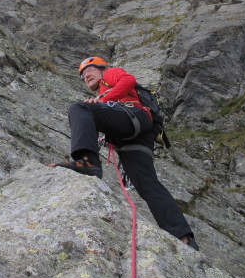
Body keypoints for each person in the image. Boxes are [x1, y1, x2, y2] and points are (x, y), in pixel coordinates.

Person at [50, 56, 199, 250]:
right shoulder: (104, 93)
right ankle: (184, 238)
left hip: (133, 116)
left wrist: (101, 100)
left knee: (78, 108)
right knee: (147, 183)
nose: (86, 76)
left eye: (90, 70)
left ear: (104, 69)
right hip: (138, 133)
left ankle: (88, 161)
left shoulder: (110, 75)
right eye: (83, 76)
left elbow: (128, 80)